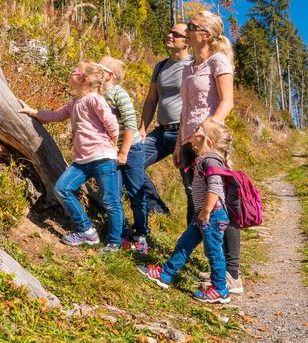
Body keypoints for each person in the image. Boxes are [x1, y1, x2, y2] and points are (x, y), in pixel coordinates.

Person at [18, 60, 123, 251]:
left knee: (111, 200)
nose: (71, 72)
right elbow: (55, 116)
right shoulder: (75, 103)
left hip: (102, 158)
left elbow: (113, 125)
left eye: (75, 71)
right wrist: (31, 111)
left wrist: (113, 146)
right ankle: (87, 231)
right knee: (62, 189)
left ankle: (115, 242)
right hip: (82, 161)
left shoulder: (94, 100)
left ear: (84, 79)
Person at [175, 10, 243, 294]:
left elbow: (226, 102)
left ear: (206, 35)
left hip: (210, 143)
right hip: (190, 143)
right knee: (198, 204)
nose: (186, 30)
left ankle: (233, 274)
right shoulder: (189, 65)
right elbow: (186, 109)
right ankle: (215, 267)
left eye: (191, 26)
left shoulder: (219, 60)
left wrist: (209, 131)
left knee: (220, 206)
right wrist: (180, 143)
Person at [138, 118, 234, 304]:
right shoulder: (204, 159)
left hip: (211, 215)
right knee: (185, 244)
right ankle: (166, 274)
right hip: (203, 215)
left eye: (199, 129)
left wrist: (206, 211)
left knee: (214, 252)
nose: (194, 130)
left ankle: (221, 289)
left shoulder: (211, 160)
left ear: (208, 140)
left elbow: (215, 188)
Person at [138, 23, 191, 215]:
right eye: (169, 31)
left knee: (190, 186)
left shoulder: (193, 65)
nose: (170, 35)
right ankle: (158, 210)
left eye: (176, 34)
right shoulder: (160, 66)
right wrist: (142, 128)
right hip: (161, 132)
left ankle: (195, 232)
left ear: (187, 42)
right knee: (132, 161)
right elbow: (151, 100)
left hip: (185, 133)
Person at [99, 56, 148, 254]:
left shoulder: (119, 94)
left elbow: (129, 124)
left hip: (131, 150)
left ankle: (141, 234)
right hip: (111, 152)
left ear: (110, 75)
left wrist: (124, 152)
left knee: (136, 193)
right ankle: (120, 235)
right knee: (113, 195)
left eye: (98, 68)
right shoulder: (97, 95)